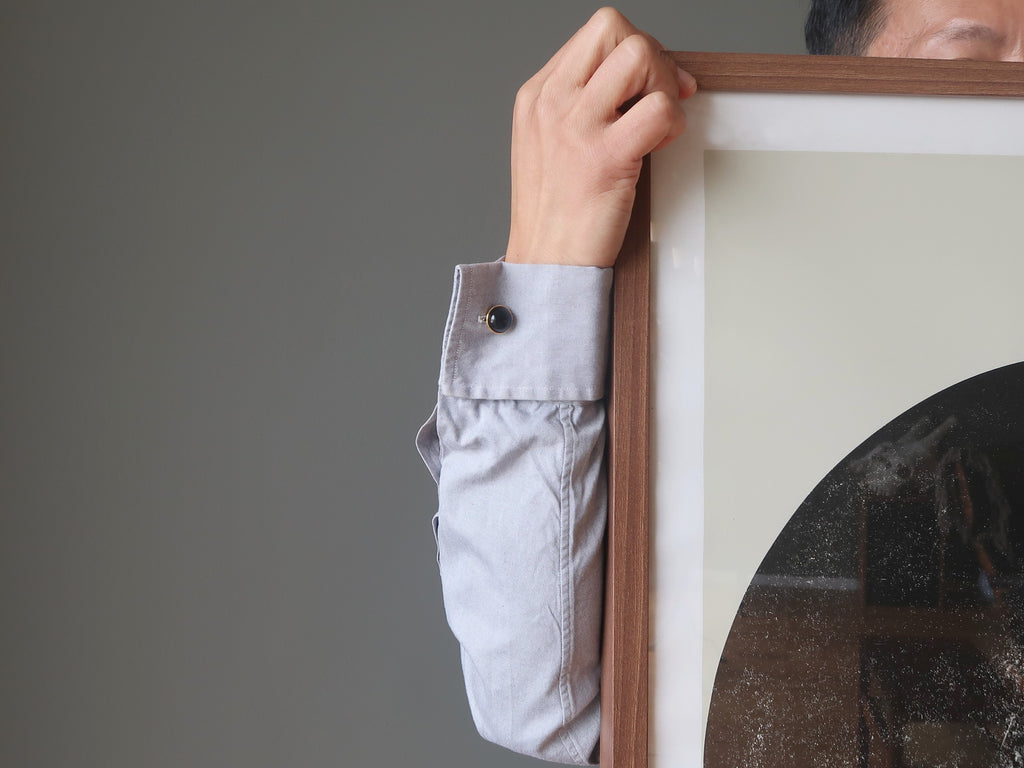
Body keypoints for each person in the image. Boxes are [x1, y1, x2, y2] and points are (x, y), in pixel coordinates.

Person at [416, 1, 1024, 764]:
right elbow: (535, 702)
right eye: (974, 70)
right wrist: (548, 264)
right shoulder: (727, 339)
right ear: (848, 95)